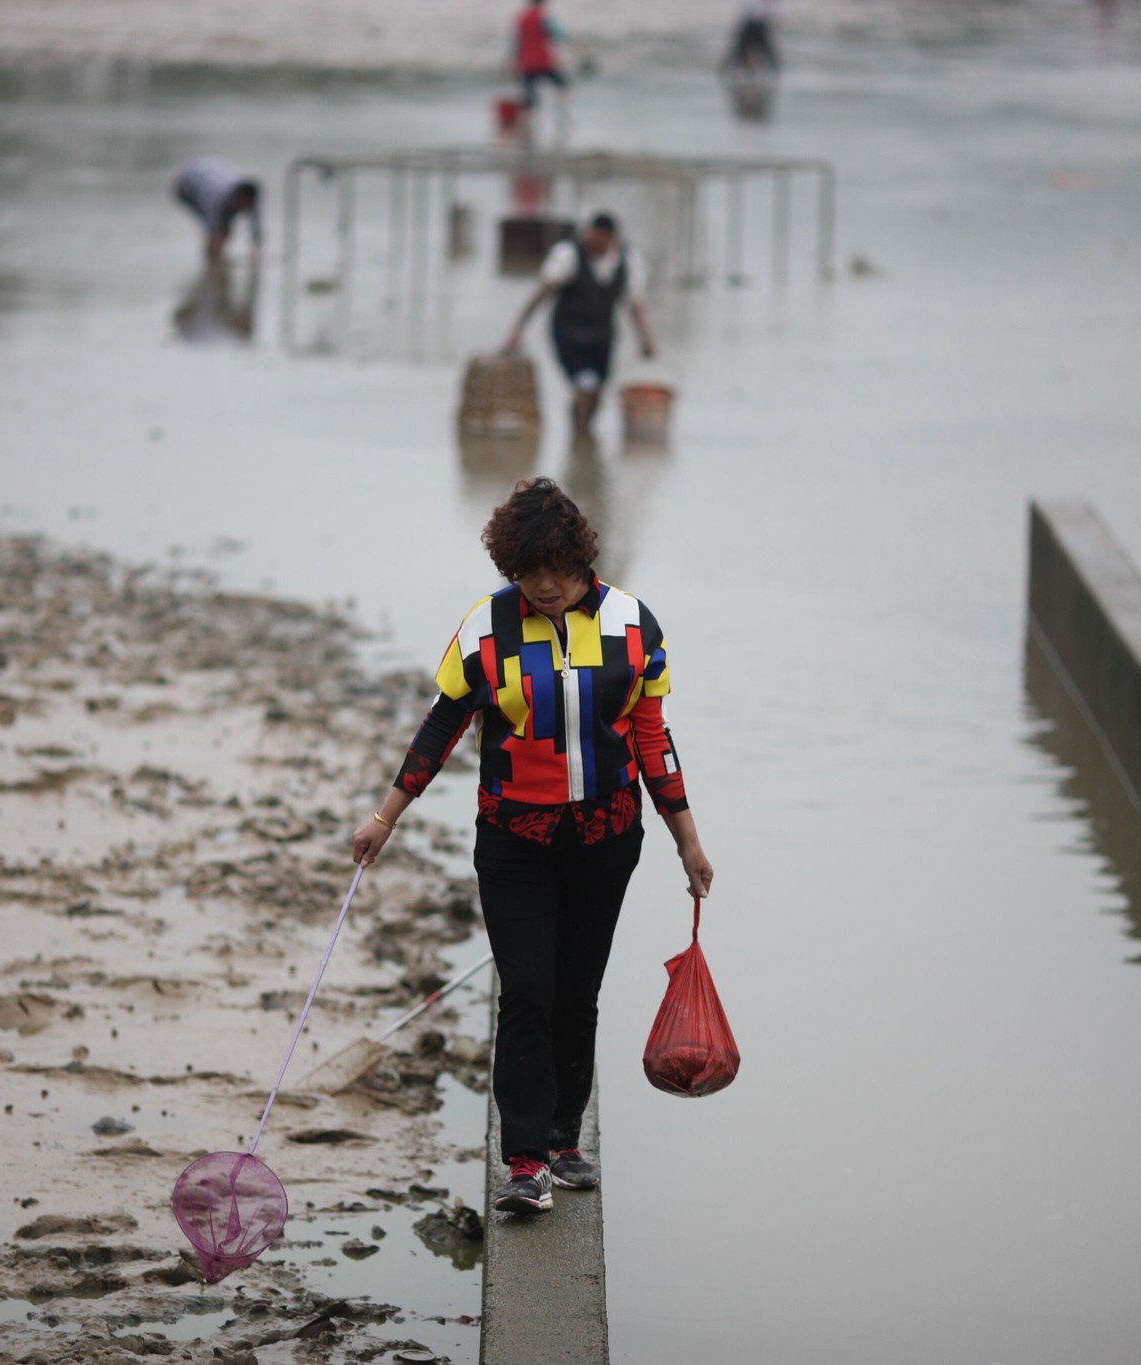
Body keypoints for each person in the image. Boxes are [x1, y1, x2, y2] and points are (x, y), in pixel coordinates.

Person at [351, 478, 713, 1215]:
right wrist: (386, 817)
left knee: (577, 993)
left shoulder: (632, 624)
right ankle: (523, 1160)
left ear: (583, 559)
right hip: (514, 840)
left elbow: (652, 738)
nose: (544, 587)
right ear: (510, 566)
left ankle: (563, 1137)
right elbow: (442, 725)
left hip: (606, 839)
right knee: (526, 991)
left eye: (558, 572)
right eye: (528, 573)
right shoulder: (488, 628)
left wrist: (688, 841)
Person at [504, 213, 657, 436]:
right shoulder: (568, 254)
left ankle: (584, 436)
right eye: (591, 240)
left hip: (603, 335)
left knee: (598, 391)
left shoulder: (628, 260)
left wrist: (646, 340)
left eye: (600, 242)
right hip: (568, 332)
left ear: (612, 240)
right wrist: (517, 330)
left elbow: (635, 305)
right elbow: (541, 294)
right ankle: (579, 438)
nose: (594, 246)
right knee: (585, 384)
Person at [172, 158, 261, 262]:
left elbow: (257, 229)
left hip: (212, 174)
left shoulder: (251, 199)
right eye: (243, 204)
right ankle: (212, 261)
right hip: (186, 185)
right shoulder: (214, 199)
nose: (245, 209)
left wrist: (256, 254)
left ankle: (217, 257)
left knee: (225, 228)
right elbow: (215, 230)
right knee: (218, 231)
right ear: (238, 198)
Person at [514, 0, 570, 120]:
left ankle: (529, 122)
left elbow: (517, 42)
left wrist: (515, 60)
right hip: (544, 61)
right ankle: (561, 113)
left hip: (527, 61)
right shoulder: (544, 18)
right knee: (563, 85)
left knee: (529, 95)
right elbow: (560, 35)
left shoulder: (522, 18)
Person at [725, 0, 781, 75]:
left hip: (759, 25)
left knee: (766, 50)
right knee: (740, 50)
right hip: (751, 24)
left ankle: (773, 70)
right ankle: (731, 69)